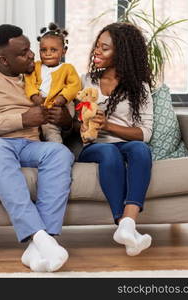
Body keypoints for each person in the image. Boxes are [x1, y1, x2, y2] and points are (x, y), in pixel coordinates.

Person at [0, 24, 75, 272]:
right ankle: (41, 237)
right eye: (23, 53)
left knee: (60, 153)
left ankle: (37, 247)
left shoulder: (36, 78)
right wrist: (22, 119)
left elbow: (65, 108)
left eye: (30, 49)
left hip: (31, 145)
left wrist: (65, 122)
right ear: (3, 59)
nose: (32, 55)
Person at [77, 22, 154, 256]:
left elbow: (144, 133)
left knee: (141, 150)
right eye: (97, 46)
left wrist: (108, 125)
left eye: (105, 48)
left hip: (127, 144)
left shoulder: (139, 88)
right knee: (110, 152)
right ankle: (123, 225)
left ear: (121, 53)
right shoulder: (85, 81)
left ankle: (128, 225)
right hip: (95, 146)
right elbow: (71, 124)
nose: (97, 51)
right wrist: (83, 121)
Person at [24, 22, 81, 143]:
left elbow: (75, 85)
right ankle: (34, 145)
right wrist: (34, 95)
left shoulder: (68, 68)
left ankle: (56, 147)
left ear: (64, 51)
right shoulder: (35, 67)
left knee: (51, 129)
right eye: (43, 50)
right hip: (40, 101)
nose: (48, 53)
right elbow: (29, 82)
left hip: (60, 103)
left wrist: (63, 97)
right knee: (34, 124)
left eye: (53, 50)